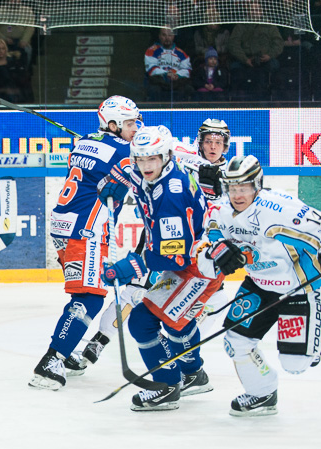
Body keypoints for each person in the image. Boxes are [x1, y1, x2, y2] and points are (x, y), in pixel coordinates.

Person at [76, 118, 234, 371]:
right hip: (160, 238)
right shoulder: (182, 158)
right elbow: (148, 153)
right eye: (208, 141)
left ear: (226, 145)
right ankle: (98, 340)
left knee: (214, 300)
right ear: (199, 142)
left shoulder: (233, 176)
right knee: (134, 289)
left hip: (199, 247)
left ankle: (185, 357)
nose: (213, 147)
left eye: (218, 142)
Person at [105, 126, 222, 411]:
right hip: (196, 261)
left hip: (196, 267)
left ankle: (167, 386)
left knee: (142, 322)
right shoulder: (158, 169)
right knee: (174, 321)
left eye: (152, 159)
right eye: (141, 159)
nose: (146, 166)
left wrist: (131, 265)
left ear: (166, 156)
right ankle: (194, 373)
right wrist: (116, 181)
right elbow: (130, 171)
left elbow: (174, 258)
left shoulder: (171, 195)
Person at [29, 96, 142, 390]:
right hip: (87, 231)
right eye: (130, 123)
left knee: (88, 294)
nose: (136, 129)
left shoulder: (82, 144)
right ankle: (51, 361)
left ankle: (63, 356)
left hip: (64, 226)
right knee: (88, 298)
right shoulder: (124, 151)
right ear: (114, 124)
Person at [197, 156, 321, 416]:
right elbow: (213, 231)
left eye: (243, 188)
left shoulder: (281, 209)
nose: (237, 195)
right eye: (232, 188)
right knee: (236, 341)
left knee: (296, 364)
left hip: (298, 287)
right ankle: (262, 393)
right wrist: (219, 250)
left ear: (257, 185)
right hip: (260, 284)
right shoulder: (220, 208)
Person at [145, 27, 194, 101]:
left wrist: (177, 75)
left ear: (173, 36)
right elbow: (151, 69)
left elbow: (187, 70)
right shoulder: (152, 50)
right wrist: (166, 74)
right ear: (159, 36)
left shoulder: (181, 53)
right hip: (160, 81)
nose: (167, 38)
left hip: (176, 81)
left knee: (188, 89)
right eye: (164, 35)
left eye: (169, 35)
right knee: (154, 89)